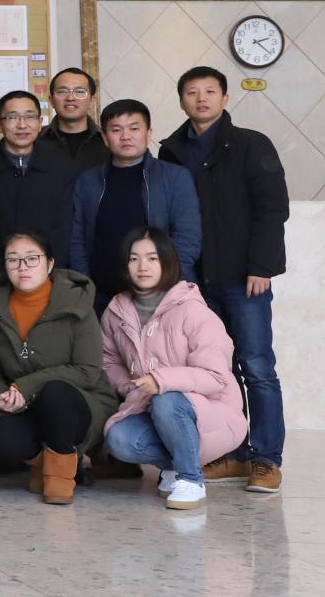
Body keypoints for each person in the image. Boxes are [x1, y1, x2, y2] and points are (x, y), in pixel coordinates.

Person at [158, 66, 289, 493]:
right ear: (181, 100)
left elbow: (272, 208)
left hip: (244, 277)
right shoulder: (171, 151)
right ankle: (231, 453)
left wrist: (262, 266)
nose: (201, 98)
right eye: (192, 92)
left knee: (257, 366)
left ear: (225, 98)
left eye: (210, 91)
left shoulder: (251, 144)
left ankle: (266, 458)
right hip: (194, 282)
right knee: (215, 370)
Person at [0, 230, 117, 506]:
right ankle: (46, 465)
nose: (22, 267)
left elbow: (87, 370)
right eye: (13, 260)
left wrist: (25, 386)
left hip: (80, 399)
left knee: (55, 393)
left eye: (31, 259)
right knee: (0, 440)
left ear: (50, 264)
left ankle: (60, 477)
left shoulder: (76, 304)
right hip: (23, 404)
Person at [102, 229, 247, 511]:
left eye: (152, 258)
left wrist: (160, 381)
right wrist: (133, 386)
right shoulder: (116, 311)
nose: (142, 266)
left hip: (211, 412)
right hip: (150, 407)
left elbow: (217, 377)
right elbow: (108, 361)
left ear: (167, 262)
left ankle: (191, 479)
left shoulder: (193, 311)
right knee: (118, 438)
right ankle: (175, 466)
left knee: (166, 400)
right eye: (134, 259)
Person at [70, 99, 202, 312]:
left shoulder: (175, 177)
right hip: (101, 296)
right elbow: (77, 239)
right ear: (105, 137)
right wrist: (86, 284)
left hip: (162, 295)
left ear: (149, 134)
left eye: (134, 128)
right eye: (116, 130)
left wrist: (165, 283)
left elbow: (188, 237)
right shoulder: (88, 181)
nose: (126, 136)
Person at [0, 90, 76, 284]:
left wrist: (51, 271)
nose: (22, 125)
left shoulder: (61, 166)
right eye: (12, 117)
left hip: (50, 275)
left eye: (30, 117)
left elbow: (65, 227)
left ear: (40, 123)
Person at [41, 67, 111, 170]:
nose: (70, 98)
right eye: (62, 91)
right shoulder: (35, 140)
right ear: (51, 101)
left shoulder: (109, 141)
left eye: (80, 91)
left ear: (92, 101)